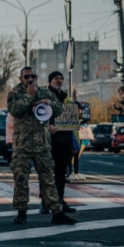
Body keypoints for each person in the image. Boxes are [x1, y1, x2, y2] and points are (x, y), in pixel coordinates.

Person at [7, 67, 76, 225]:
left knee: (48, 179)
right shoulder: (15, 93)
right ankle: (21, 212)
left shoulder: (44, 92)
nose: (30, 79)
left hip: (42, 144)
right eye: (26, 77)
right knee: (21, 179)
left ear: (36, 77)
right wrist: (29, 96)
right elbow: (15, 111)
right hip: (22, 144)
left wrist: (49, 103)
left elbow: (59, 110)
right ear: (20, 78)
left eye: (32, 76)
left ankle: (56, 212)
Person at [41, 71, 77, 213]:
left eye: (61, 78)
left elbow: (70, 118)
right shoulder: (44, 94)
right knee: (47, 172)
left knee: (61, 173)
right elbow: (40, 113)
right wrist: (47, 126)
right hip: (49, 140)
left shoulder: (65, 97)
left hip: (64, 140)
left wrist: (73, 143)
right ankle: (45, 202)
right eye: (56, 78)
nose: (59, 80)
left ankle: (60, 200)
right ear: (50, 81)